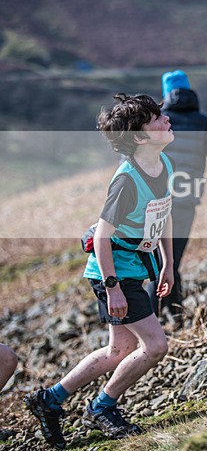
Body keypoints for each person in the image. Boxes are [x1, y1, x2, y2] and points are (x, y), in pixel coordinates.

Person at [24, 93, 174, 448]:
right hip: (113, 272)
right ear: (140, 137)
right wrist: (113, 288)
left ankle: (50, 400)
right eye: (156, 118)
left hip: (133, 267)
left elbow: (164, 213)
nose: (166, 119)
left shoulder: (163, 163)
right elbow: (102, 238)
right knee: (155, 346)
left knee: (118, 350)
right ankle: (102, 407)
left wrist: (168, 263)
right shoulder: (126, 181)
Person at [148, 70, 207, 327]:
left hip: (152, 202)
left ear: (165, 93)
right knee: (170, 261)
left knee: (160, 263)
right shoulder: (205, 123)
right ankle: (169, 317)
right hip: (184, 202)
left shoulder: (156, 122)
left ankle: (159, 320)